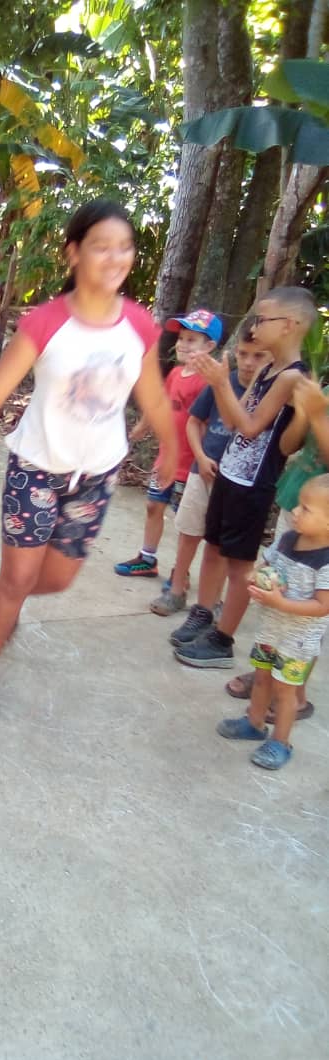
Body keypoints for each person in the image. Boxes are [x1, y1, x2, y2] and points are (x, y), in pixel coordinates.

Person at [0, 199, 177, 720]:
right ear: (73, 253)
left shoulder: (139, 325)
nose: (115, 258)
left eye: (124, 248)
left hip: (98, 474)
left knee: (59, 580)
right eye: (101, 247)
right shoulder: (45, 322)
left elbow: (152, 398)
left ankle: (7, 601)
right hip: (37, 469)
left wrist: (173, 451)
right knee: (17, 578)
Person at [171, 286, 315, 668]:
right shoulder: (268, 369)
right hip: (231, 472)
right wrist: (221, 381)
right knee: (214, 546)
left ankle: (223, 638)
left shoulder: (292, 377)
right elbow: (235, 419)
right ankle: (203, 612)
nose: (255, 326)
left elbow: (251, 427)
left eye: (262, 319)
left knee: (239, 564)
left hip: (254, 483)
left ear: (289, 325)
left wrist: (220, 382)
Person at [225, 374, 329, 715]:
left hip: (324, 520)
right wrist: (304, 413)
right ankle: (271, 676)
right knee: (284, 590)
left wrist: (316, 414)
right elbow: (288, 446)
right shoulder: (323, 391)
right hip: (301, 504)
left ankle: (292, 694)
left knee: (311, 607)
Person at [149, 327, 269, 614]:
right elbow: (194, 422)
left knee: (221, 546)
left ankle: (213, 601)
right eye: (243, 354)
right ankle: (176, 591)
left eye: (258, 356)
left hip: (236, 480)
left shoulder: (269, 394)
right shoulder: (220, 382)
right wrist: (201, 457)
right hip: (202, 471)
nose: (249, 362)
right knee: (188, 534)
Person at [216, 473, 329, 769]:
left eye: (306, 509)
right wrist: (257, 574)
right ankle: (254, 723)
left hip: (299, 641)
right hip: (270, 629)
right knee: (262, 677)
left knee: (285, 691)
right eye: (299, 505)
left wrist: (281, 602)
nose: (295, 511)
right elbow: (268, 564)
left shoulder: (327, 561)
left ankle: (281, 742)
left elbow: (322, 607)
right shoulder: (288, 538)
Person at [114, 308, 217, 579]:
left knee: (186, 523)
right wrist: (143, 426)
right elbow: (160, 403)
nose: (183, 344)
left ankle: (180, 571)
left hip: (191, 464)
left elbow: (207, 423)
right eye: (182, 338)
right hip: (166, 459)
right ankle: (147, 558)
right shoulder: (175, 374)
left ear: (210, 346)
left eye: (191, 340)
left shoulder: (208, 382)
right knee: (153, 506)